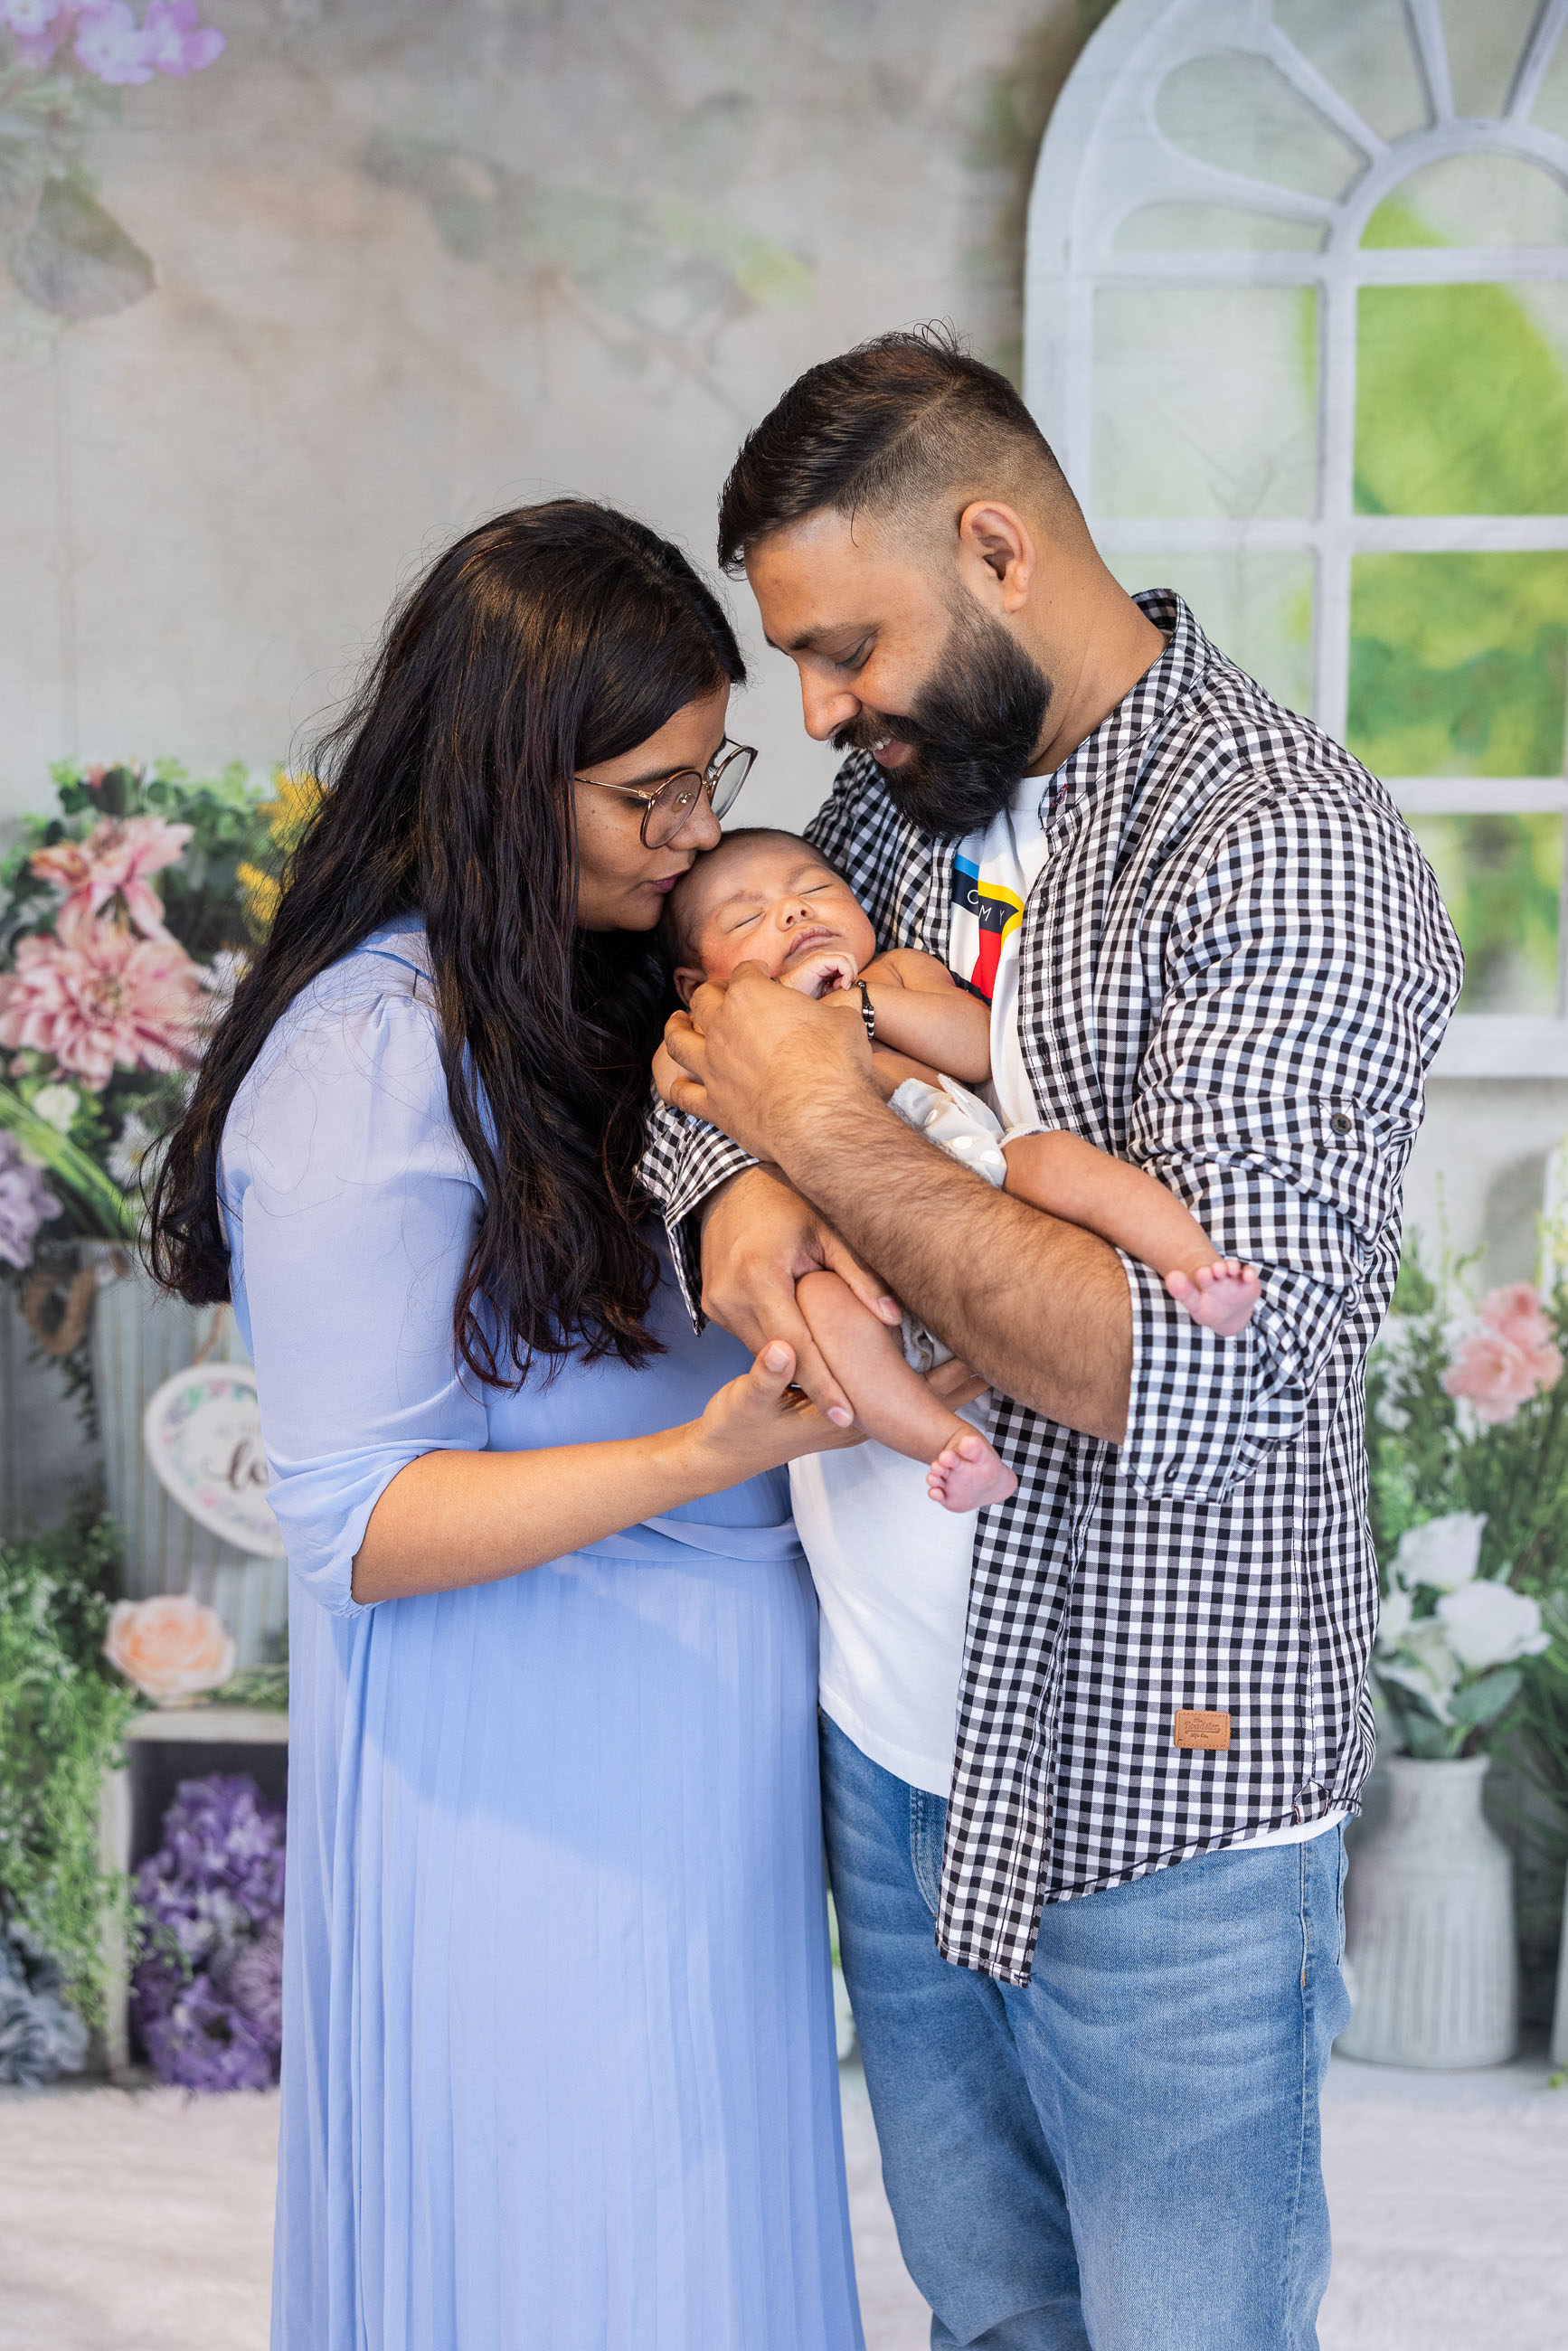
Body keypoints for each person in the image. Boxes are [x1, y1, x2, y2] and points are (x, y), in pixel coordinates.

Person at [646, 331, 1464, 2350]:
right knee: (993, 2319)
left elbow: (1184, 1379)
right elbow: (700, 1053)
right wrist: (739, 1190)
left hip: (1159, 1792)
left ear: (995, 550)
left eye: (844, 649)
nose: (819, 711)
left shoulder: (1283, 850)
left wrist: (817, 1123)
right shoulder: (896, 802)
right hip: (890, 1741)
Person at [147, 503, 871, 2351]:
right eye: (648, 793)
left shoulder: (611, 984)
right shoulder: (365, 1057)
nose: (695, 831)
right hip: (527, 1797)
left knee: (698, 2255)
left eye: (710, 777)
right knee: (573, 2255)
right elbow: (360, 1523)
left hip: (691, 1780)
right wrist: (706, 1457)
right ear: (499, 780)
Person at [658, 825, 1262, 1511]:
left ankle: (1196, 1269)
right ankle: (948, 1446)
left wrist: (857, 1006)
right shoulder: (713, 1038)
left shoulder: (896, 971)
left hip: (980, 1162)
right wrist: (756, 1017)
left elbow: (974, 1044)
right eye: (748, 918)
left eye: (816, 889)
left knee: (1056, 1158)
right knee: (824, 1310)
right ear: (695, 984)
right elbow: (671, 1080)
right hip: (859, 1238)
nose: (794, 911)